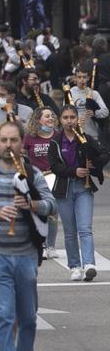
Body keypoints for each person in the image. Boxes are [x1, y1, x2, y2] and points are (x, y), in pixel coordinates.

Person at [0, 121, 56, 351]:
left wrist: (31, 204)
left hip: (26, 256)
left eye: (14, 140)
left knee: (28, 318)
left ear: (22, 143)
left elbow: (51, 205)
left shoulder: (32, 173)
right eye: (4, 140)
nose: (8, 145)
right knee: (5, 315)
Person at [49, 105, 109, 281]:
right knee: (70, 231)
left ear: (77, 119)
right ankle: (74, 266)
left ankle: (89, 264)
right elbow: (54, 166)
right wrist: (73, 171)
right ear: (60, 120)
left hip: (84, 187)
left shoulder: (86, 139)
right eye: (66, 118)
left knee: (85, 228)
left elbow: (105, 153)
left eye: (72, 117)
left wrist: (95, 164)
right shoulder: (55, 142)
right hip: (64, 189)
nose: (69, 121)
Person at [22, 107, 60, 259]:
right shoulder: (29, 138)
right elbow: (23, 157)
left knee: (52, 212)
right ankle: (41, 244)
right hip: (36, 179)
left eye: (52, 116)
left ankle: (50, 246)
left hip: (54, 178)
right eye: (46, 116)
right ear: (38, 120)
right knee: (38, 212)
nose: (50, 118)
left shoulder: (58, 136)